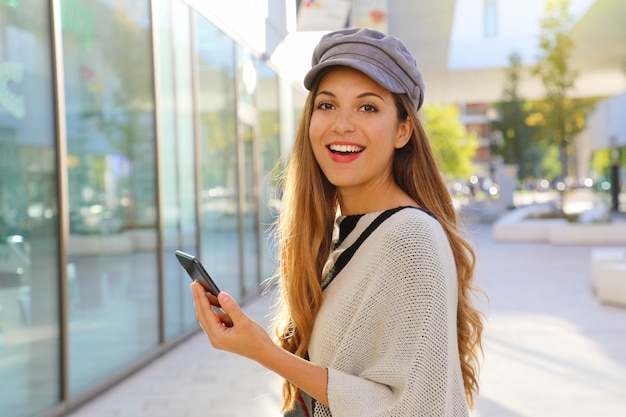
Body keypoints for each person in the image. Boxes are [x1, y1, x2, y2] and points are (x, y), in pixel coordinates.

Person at [191, 27, 484, 417]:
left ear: (403, 130)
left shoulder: (411, 238)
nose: (341, 124)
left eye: (367, 107)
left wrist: (262, 351)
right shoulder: (349, 231)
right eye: (327, 105)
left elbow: (412, 407)